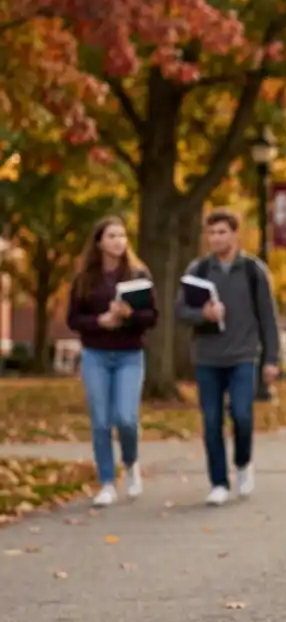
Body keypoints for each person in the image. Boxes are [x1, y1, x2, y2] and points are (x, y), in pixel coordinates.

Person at [175, 209, 280, 506]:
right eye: (211, 233)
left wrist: (271, 359)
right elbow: (180, 311)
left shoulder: (253, 270)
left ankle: (243, 463)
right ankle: (218, 482)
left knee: (242, 417)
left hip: (243, 356)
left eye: (222, 232)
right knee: (211, 421)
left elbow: (267, 318)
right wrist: (203, 315)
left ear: (235, 234)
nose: (216, 238)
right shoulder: (198, 270)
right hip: (207, 358)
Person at [66, 216, 159, 507]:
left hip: (130, 355)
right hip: (95, 355)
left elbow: (152, 317)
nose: (119, 240)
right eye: (112, 236)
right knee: (101, 422)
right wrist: (100, 321)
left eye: (122, 235)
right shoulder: (84, 278)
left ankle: (130, 463)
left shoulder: (138, 274)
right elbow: (73, 319)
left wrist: (130, 315)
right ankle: (107, 482)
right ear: (99, 242)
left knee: (126, 419)